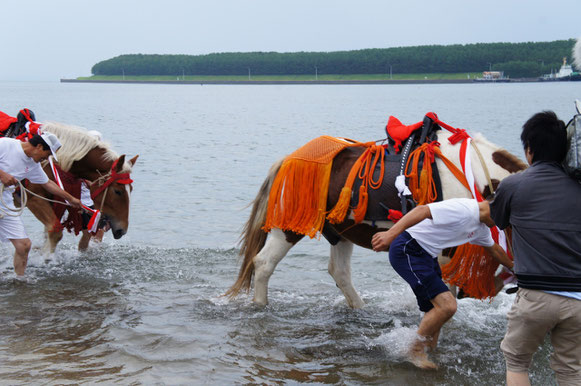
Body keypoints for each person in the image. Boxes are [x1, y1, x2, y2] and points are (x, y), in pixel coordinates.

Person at [490, 111, 581, 386]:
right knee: (571, 370)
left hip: (535, 297)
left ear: (529, 150)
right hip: (578, 299)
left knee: (517, 361)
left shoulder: (514, 185)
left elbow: (499, 219)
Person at [372, 198, 513, 369]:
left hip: (427, 257)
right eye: (503, 221)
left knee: (436, 310)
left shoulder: (482, 228)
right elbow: (422, 210)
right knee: (447, 306)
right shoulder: (464, 209)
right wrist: (390, 234)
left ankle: (429, 349)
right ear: (497, 210)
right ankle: (414, 350)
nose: (501, 226)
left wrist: (516, 269)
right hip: (408, 250)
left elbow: (494, 249)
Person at [0, 132, 82, 276]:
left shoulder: (33, 165)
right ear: (39, 146)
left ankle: (19, 281)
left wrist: (71, 199)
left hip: (4, 202)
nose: (47, 158)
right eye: (47, 154)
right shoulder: (6, 144)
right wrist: (2, 174)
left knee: (24, 245)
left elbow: (48, 183)